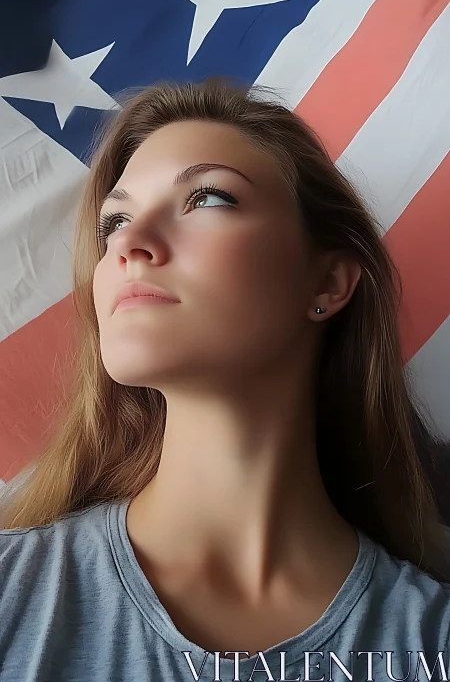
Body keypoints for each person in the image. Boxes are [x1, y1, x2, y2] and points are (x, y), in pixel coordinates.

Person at [0, 78, 449, 682]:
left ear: (329, 283)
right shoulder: (11, 594)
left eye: (208, 198)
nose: (130, 242)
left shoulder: (431, 641)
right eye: (114, 223)